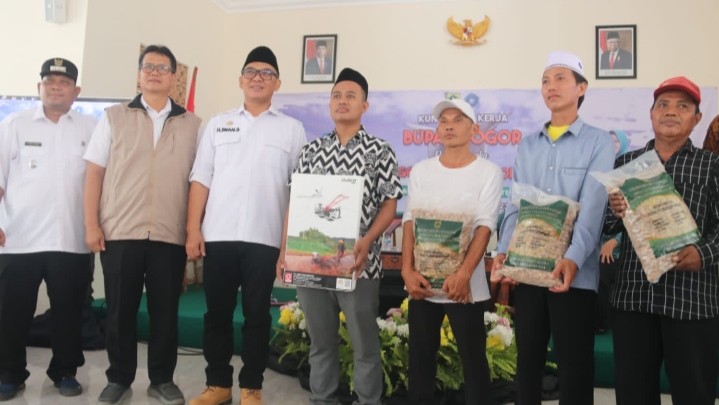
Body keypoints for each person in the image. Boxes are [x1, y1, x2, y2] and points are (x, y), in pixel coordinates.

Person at [491, 51, 615, 405]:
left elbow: (593, 208)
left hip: (573, 276)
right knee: (527, 362)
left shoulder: (598, 142)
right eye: (546, 80)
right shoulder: (528, 145)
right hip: (528, 270)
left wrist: (572, 258)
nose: (551, 86)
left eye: (561, 78)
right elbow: (517, 205)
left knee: (574, 367)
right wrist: (504, 251)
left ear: (581, 88)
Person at [187, 46, 306, 405]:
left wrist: (287, 247)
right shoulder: (218, 123)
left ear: (277, 83)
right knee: (217, 315)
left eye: (266, 73)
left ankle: (251, 388)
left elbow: (299, 192)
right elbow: (201, 177)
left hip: (264, 239)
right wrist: (193, 229)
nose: (258, 78)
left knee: (257, 317)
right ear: (240, 80)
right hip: (218, 236)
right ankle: (218, 385)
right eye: (251, 71)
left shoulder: (292, 130)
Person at [83, 45, 202, 405]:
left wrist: (193, 229)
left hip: (169, 232)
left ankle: (162, 380)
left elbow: (199, 180)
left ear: (173, 78)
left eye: (162, 68)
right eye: (147, 66)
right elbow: (94, 172)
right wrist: (91, 224)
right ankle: (118, 379)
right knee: (120, 311)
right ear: (138, 75)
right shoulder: (114, 117)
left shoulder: (192, 124)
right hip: (120, 231)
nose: (154, 72)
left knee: (165, 313)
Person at [277, 68, 402, 405]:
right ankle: (323, 398)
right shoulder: (311, 151)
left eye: (350, 96)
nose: (342, 101)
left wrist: (368, 240)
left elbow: (390, 205)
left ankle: (368, 400)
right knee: (321, 342)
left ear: (365, 105)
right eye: (336, 95)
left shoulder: (380, 150)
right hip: (312, 263)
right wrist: (284, 251)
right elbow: (295, 203)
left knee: (364, 344)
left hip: (359, 264)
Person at [606, 76, 719, 405]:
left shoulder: (712, 165)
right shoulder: (626, 164)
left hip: (692, 299)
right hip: (634, 297)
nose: (670, 111)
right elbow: (608, 225)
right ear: (651, 114)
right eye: (663, 105)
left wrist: (703, 254)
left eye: (683, 106)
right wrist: (614, 209)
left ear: (697, 119)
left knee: (694, 393)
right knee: (633, 393)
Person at [0, 58, 96, 401]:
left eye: (64, 81)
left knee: (69, 314)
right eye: (50, 80)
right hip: (19, 239)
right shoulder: (15, 124)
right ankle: (9, 374)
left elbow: (101, 182)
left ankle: (65, 372)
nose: (56, 86)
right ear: (38, 87)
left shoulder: (91, 128)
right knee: (12, 313)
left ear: (76, 90)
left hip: (71, 240)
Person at [401, 98, 503, 405]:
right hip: (422, 284)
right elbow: (410, 221)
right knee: (420, 361)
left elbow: (484, 226)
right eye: (443, 120)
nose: (449, 125)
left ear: (474, 129)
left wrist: (463, 274)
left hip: (465, 288)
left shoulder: (488, 172)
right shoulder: (421, 170)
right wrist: (406, 270)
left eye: (458, 120)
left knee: (473, 362)